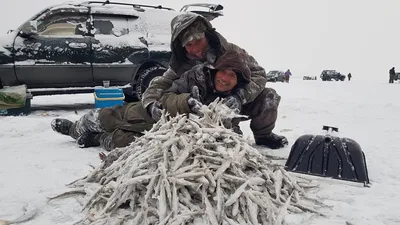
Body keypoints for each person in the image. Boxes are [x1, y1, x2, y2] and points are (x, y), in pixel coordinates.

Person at [51, 51, 287, 150]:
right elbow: (165, 94)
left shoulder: (232, 102)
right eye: (223, 71)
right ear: (214, 70)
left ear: (239, 82)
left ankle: (97, 139)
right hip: (156, 114)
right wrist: (186, 103)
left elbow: (229, 136)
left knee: (125, 143)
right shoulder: (193, 76)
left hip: (169, 135)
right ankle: (75, 129)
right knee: (109, 116)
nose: (226, 78)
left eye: (233, 76)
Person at [142, 13, 287, 148]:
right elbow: (159, 85)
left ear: (207, 35)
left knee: (269, 96)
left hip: (237, 103)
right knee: (230, 146)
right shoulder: (182, 65)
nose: (195, 49)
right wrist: (150, 105)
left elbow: (259, 73)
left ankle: (263, 136)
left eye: (198, 41)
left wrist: (240, 95)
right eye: (189, 45)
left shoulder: (232, 51)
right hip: (205, 110)